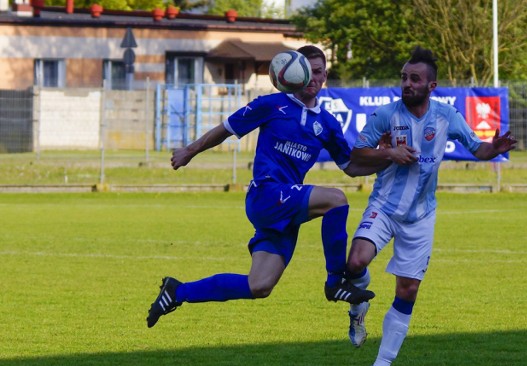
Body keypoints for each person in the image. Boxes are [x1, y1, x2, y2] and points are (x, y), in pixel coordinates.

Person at [146, 45, 389, 328]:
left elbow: (352, 167)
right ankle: (335, 282)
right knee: (336, 199)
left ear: (325, 76)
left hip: (286, 210)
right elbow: (226, 128)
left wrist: (388, 158)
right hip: (266, 194)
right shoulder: (271, 105)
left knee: (259, 285)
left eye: (319, 72)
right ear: (295, 75)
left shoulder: (327, 122)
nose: (314, 78)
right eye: (308, 72)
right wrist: (189, 150)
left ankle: (177, 291)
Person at [344, 46, 517, 366]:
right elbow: (356, 154)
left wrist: (493, 148)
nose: (407, 84)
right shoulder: (385, 116)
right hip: (385, 206)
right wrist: (389, 152)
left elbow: (476, 148)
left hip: (421, 217)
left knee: (407, 291)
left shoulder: (446, 116)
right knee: (355, 261)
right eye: (404, 77)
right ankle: (358, 305)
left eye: (414, 79)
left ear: (431, 85)